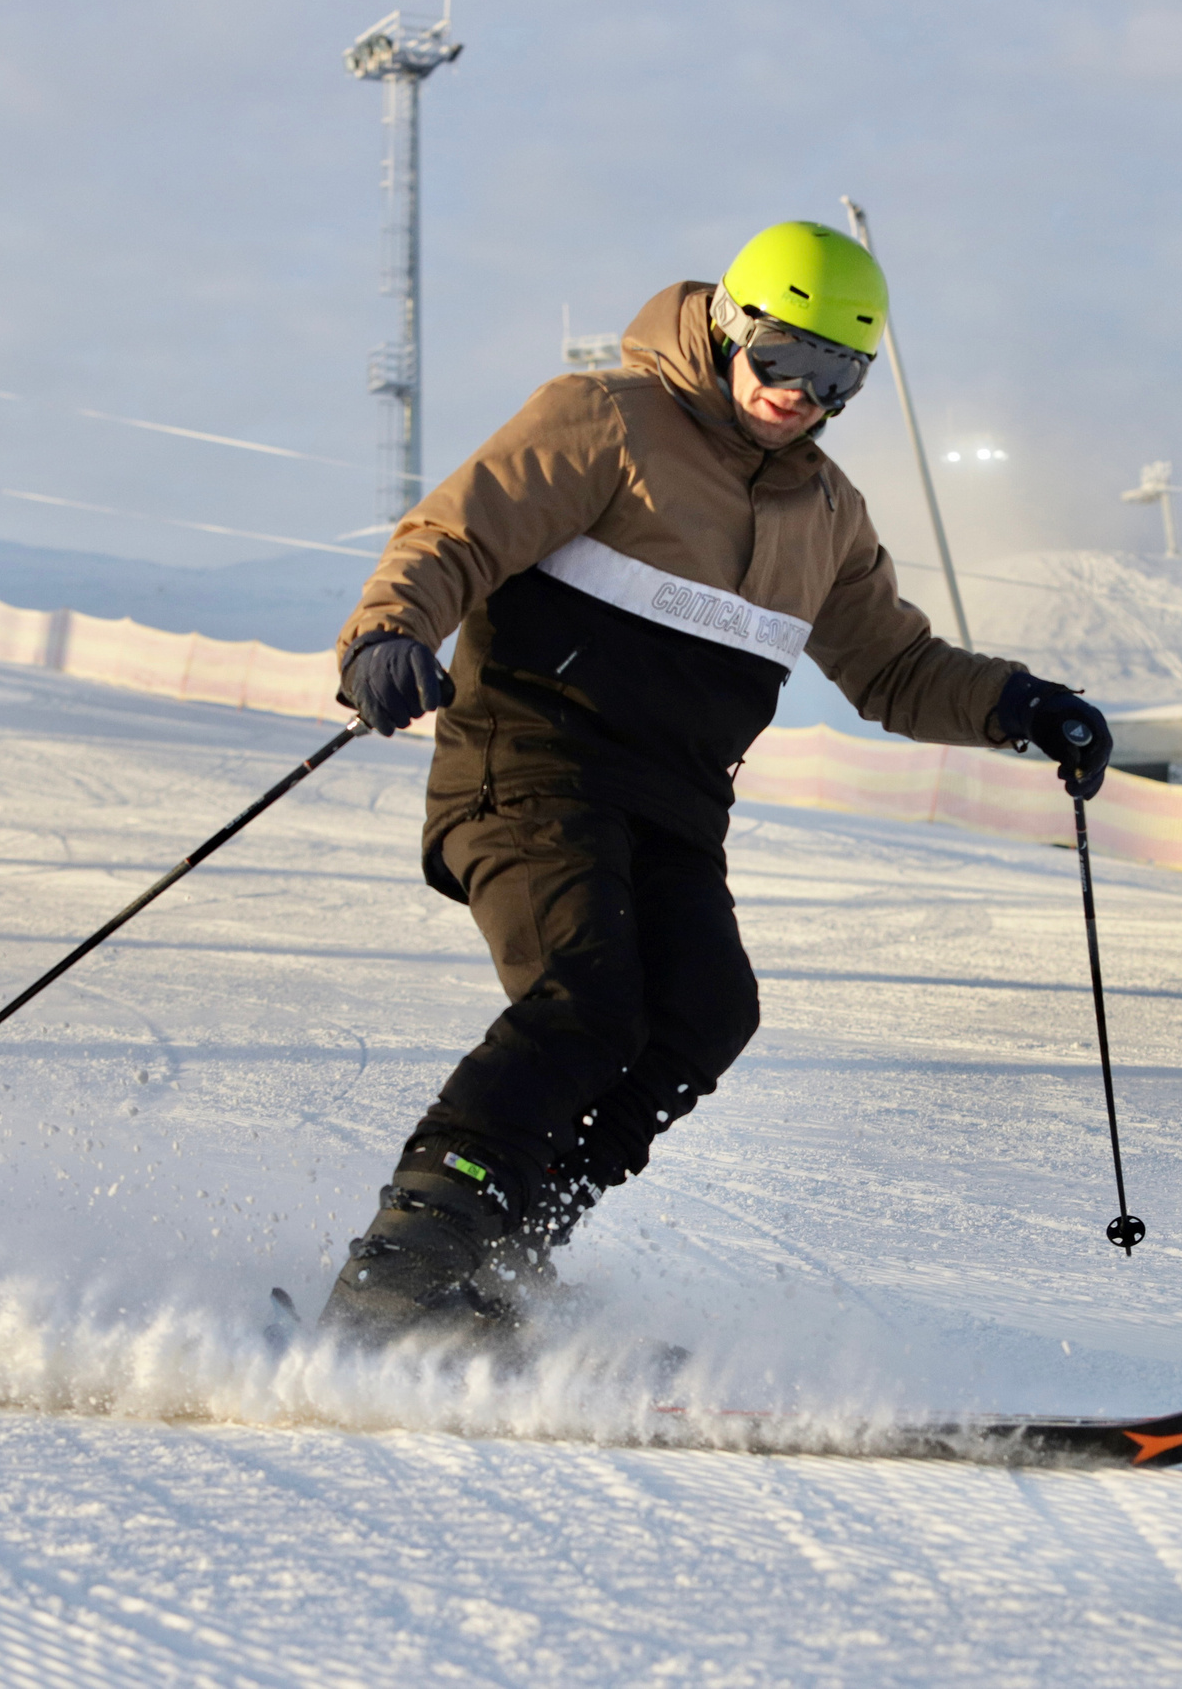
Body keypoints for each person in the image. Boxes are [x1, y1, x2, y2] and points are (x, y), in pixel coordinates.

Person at [318, 220, 1113, 1344]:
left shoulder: (826, 515)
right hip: (532, 761)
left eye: (836, 373)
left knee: (703, 1014)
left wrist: (1025, 705)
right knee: (583, 999)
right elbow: (455, 532)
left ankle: (501, 1259)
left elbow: (891, 666)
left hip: (675, 806)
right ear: (734, 325)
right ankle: (398, 1280)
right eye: (783, 355)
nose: (800, 391)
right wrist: (388, 635)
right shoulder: (604, 420)